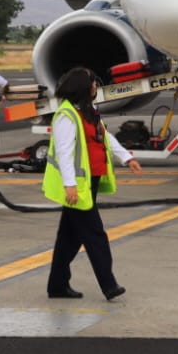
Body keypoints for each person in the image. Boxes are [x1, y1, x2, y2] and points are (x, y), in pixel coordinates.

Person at [43, 66, 144, 300]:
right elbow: (65, 152)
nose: (96, 87)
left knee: (69, 237)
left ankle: (57, 285)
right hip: (78, 187)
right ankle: (109, 285)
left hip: (90, 181)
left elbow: (104, 136)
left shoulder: (89, 111)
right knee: (95, 234)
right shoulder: (67, 117)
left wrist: (126, 157)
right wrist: (70, 186)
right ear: (83, 88)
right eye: (93, 84)